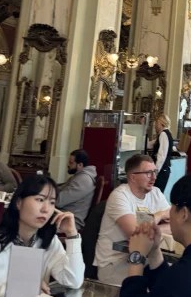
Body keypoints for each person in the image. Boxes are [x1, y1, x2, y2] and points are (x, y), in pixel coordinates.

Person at [94, 154, 170, 285]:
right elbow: (136, 233)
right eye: (148, 173)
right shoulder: (119, 196)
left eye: (155, 172)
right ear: (133, 177)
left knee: (172, 280)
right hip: (115, 264)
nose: (154, 177)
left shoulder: (156, 193)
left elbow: (175, 225)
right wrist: (160, 215)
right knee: (156, 288)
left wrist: (154, 229)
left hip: (143, 259)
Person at [57, 149, 97, 231]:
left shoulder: (84, 180)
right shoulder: (79, 177)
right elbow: (60, 189)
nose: (68, 165)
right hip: (62, 215)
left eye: (71, 163)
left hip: (69, 221)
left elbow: (58, 201)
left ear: (80, 165)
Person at [150, 113, 173, 193]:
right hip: (164, 170)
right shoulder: (167, 134)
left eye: (157, 123)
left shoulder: (163, 134)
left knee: (156, 194)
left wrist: (155, 172)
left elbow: (161, 156)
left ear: (161, 124)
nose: (155, 125)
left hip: (161, 171)